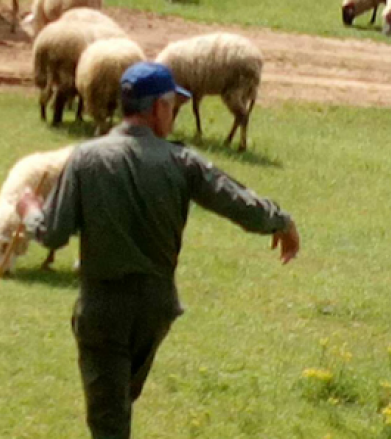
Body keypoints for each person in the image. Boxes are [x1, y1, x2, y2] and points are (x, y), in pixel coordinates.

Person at [16, 61, 300, 439]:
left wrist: (30, 211)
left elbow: (52, 235)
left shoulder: (86, 158)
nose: (174, 112)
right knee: (118, 406)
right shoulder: (183, 162)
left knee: (109, 420)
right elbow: (237, 202)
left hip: (103, 308)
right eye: (171, 104)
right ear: (155, 108)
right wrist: (281, 221)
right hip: (155, 309)